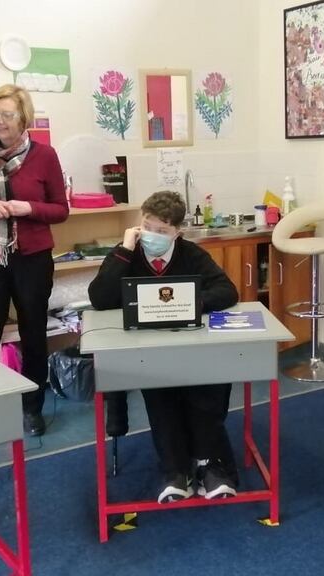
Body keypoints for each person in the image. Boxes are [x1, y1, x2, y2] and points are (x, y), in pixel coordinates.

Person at [88, 190, 240, 503]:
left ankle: (210, 466)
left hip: (191, 345)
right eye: (147, 226)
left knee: (205, 392)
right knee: (161, 397)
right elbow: (100, 299)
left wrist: (189, 304)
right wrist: (125, 250)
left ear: (177, 233)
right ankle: (175, 471)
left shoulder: (191, 253)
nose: (152, 236)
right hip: (146, 349)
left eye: (162, 231)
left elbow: (227, 291)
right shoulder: (126, 253)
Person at [0, 84, 68, 436]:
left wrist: (30, 208)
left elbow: (60, 210)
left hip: (32, 256)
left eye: (7, 114)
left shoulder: (44, 156)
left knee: (33, 331)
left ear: (24, 119)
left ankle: (31, 408)